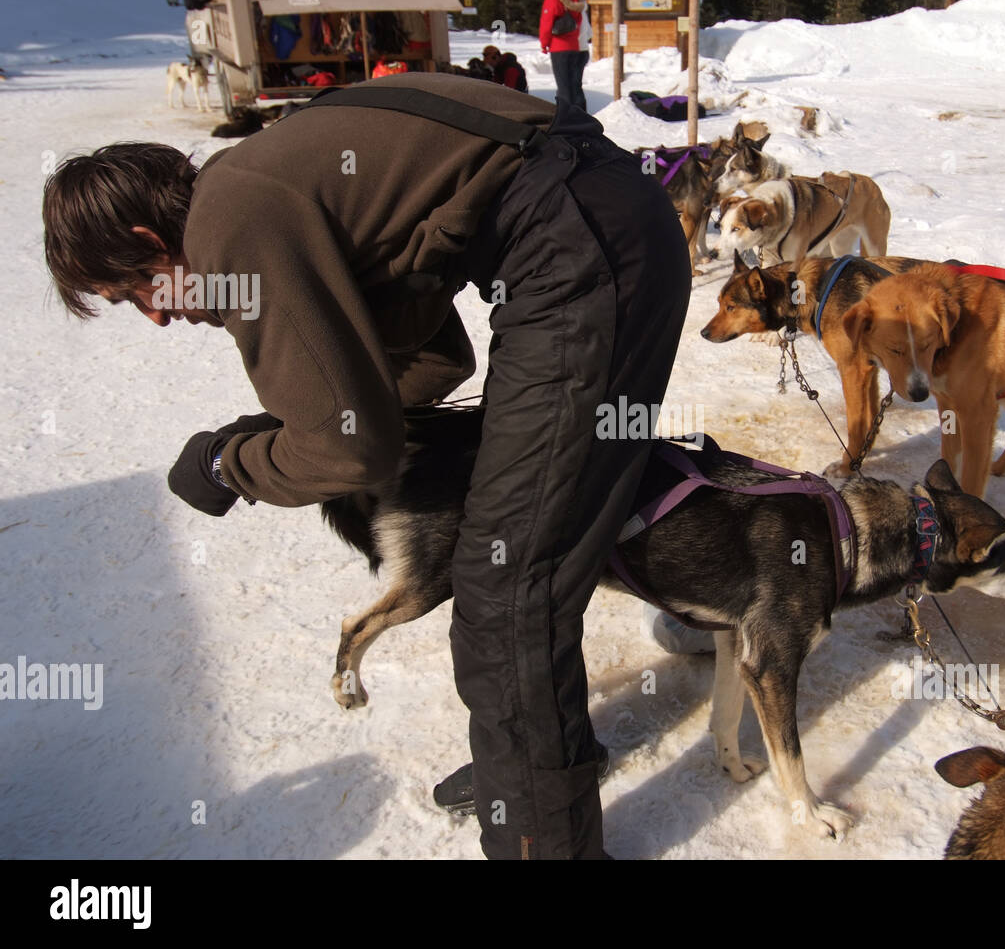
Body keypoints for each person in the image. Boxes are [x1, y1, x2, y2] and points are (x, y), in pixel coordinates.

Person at [42, 72, 690, 860]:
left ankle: (541, 833)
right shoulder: (262, 178)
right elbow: (434, 363)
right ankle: (529, 770)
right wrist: (303, 415)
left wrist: (228, 460)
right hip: (596, 219)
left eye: (134, 291)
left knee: (507, 584)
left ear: (150, 244)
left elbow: (352, 450)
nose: (154, 314)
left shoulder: (229, 219)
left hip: (579, 247)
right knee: (518, 552)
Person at [540, 0, 588, 112]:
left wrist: (544, 44)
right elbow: (578, 21)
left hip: (559, 47)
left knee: (563, 86)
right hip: (574, 46)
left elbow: (547, 22)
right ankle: (581, 115)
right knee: (575, 85)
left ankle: (565, 117)